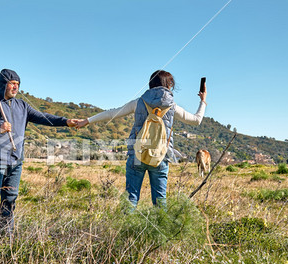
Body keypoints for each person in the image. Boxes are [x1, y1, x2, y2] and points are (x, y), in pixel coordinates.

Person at [0, 69, 80, 236]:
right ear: (3, 84)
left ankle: (6, 235)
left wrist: (66, 122)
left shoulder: (22, 105)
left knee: (10, 198)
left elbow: (44, 117)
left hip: (16, 159)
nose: (16, 87)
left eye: (18, 84)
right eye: (12, 83)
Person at [76, 70, 207, 208]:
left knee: (130, 198)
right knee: (160, 201)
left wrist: (87, 121)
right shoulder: (172, 106)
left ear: (151, 84)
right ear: (169, 85)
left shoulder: (138, 102)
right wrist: (203, 101)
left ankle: (127, 228)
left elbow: (113, 113)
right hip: (161, 156)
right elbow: (196, 120)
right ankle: (158, 229)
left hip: (137, 154)